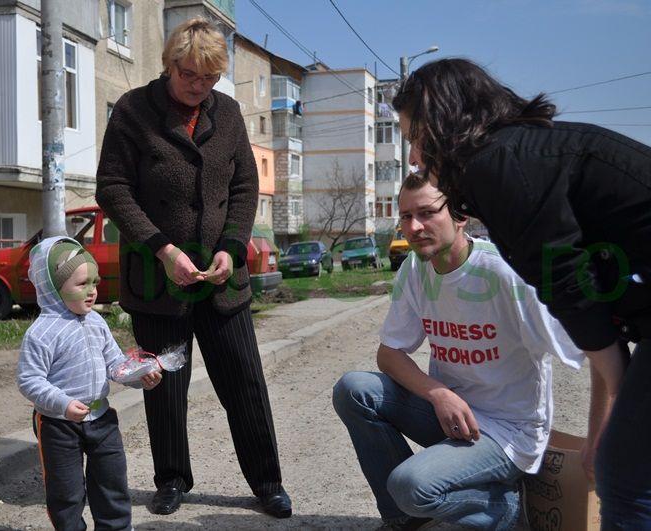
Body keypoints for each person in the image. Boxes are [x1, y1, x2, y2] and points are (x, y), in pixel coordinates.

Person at [391, 58, 651, 528]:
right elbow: (595, 304)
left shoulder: (502, 166)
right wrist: (606, 421)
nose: (413, 156)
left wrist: (617, 393)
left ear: (443, 120)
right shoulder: (518, 154)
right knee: (624, 469)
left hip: (510, 431)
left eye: (414, 136)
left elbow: (572, 291)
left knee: (628, 484)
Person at [94, 18, 291, 518]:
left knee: (245, 383)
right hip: (157, 279)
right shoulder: (133, 111)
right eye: (189, 76)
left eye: (209, 78)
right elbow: (112, 189)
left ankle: (268, 482)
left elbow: (245, 186)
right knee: (163, 387)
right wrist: (163, 250)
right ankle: (171, 480)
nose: (199, 86)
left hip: (224, 282)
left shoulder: (228, 113)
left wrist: (232, 247)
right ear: (169, 65)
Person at [333, 174, 583, 530]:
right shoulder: (415, 269)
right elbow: (389, 354)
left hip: (508, 433)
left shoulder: (505, 273)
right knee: (353, 389)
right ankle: (404, 518)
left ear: (459, 216)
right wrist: (439, 394)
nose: (414, 227)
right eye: (406, 216)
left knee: (410, 485)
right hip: (453, 417)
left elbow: (590, 348)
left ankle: (506, 509)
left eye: (427, 213)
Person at [17, 237, 162, 531]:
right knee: (66, 492)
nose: (92, 290)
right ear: (53, 287)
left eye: (95, 282)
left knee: (112, 482)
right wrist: (63, 404)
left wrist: (138, 376)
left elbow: (115, 364)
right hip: (58, 424)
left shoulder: (97, 322)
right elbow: (29, 380)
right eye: (82, 283)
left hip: (102, 418)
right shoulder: (41, 333)